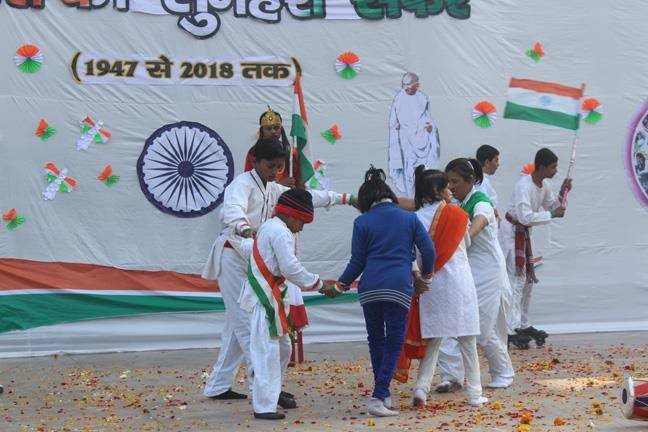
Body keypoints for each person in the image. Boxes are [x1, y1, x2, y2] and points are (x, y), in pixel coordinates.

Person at [201, 138, 355, 403]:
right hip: (233, 256)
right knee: (249, 326)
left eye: (279, 167)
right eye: (270, 166)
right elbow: (232, 211)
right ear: (256, 162)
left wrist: (346, 198)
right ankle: (264, 390)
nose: (274, 172)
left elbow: (306, 198)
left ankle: (218, 385)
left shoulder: (273, 188)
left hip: (253, 257)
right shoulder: (241, 184)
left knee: (237, 326)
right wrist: (244, 229)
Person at [334, 167, 436, 417]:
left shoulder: (362, 222)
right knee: (394, 341)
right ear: (389, 194)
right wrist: (427, 276)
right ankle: (378, 396)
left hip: (369, 287)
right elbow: (429, 250)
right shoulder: (409, 218)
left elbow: (357, 262)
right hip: (398, 286)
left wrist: (340, 285)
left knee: (376, 339)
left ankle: (384, 392)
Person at [238, 189, 337, 420]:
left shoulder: (271, 226)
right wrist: (320, 284)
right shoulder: (280, 232)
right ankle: (264, 406)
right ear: (292, 215)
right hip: (264, 298)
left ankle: (272, 392)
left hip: (272, 296)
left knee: (283, 349)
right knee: (267, 352)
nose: (301, 228)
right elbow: (290, 268)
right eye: (302, 221)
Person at [394, 166, 486, 407]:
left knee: (433, 342)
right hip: (458, 282)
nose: (450, 190)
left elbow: (409, 254)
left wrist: (418, 276)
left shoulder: (413, 218)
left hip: (429, 284)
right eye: (446, 186)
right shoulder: (457, 214)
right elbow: (466, 243)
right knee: (467, 340)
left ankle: (421, 389)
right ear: (437, 190)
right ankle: (475, 393)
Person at [435, 159, 515, 391]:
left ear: (470, 180)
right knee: (451, 323)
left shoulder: (481, 202)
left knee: (479, 328)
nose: (451, 187)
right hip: (466, 272)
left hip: (488, 273)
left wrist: (464, 236)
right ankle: (452, 376)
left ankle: (503, 372)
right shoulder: (457, 204)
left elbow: (479, 222)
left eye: (455, 182)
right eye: (448, 182)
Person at [500, 148, 572, 347]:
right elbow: (525, 217)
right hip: (512, 235)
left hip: (524, 235)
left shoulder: (545, 185)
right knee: (517, 281)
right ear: (541, 167)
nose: (555, 171)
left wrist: (564, 192)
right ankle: (511, 328)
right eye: (553, 167)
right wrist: (552, 214)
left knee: (527, 283)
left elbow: (553, 207)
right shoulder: (523, 186)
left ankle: (522, 324)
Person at [388, 73, 441, 197]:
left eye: (408, 84)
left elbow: (428, 118)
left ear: (417, 85)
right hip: (406, 139)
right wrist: (395, 126)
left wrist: (430, 130)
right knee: (410, 168)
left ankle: (426, 196)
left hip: (423, 138)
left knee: (425, 170)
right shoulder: (399, 98)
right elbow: (394, 120)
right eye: (404, 84)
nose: (406, 87)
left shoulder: (423, 98)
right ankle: (412, 197)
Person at [244, 106, 302, 188]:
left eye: (276, 128)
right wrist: (279, 185)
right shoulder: (253, 152)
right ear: (262, 131)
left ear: (281, 129)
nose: (273, 131)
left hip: (287, 195)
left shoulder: (291, 153)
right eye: (268, 128)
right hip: (262, 194)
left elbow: (299, 181)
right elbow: (250, 181)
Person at [476, 145, 501, 222]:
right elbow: (483, 205)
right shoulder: (481, 182)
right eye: (496, 160)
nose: (498, 164)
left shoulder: (483, 180)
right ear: (487, 162)